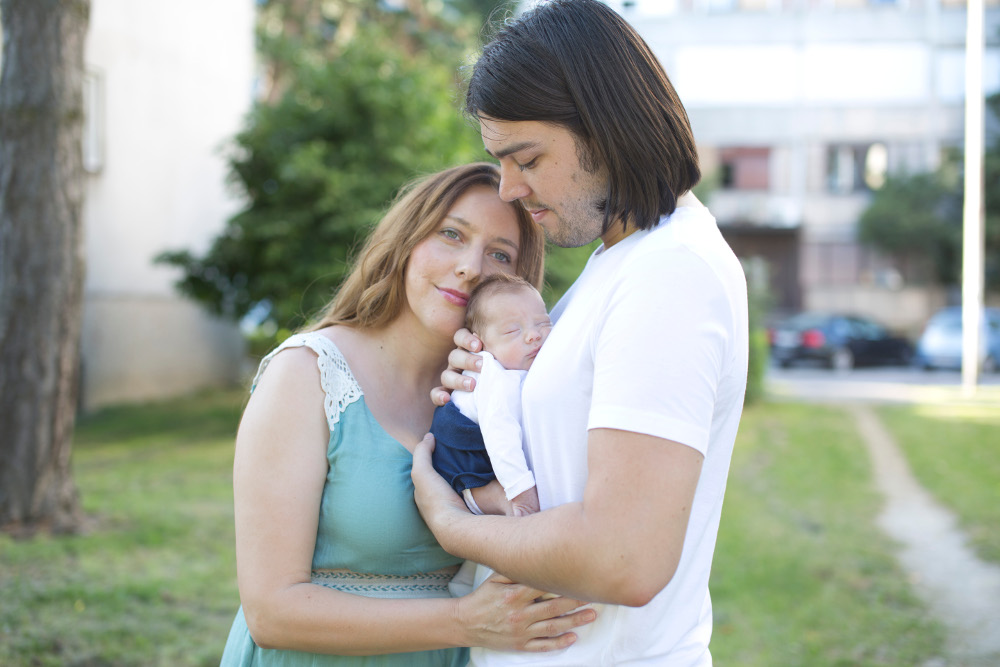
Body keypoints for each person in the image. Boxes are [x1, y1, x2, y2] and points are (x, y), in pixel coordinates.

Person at [410, 2, 750, 665]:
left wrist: (452, 524)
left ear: (604, 125)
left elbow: (624, 557)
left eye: (527, 159)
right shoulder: (621, 262)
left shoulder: (671, 272)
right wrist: (487, 386)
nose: (509, 189)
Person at [219, 162, 596, 666]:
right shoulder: (305, 373)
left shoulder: (500, 398)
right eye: (451, 234)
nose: (471, 267)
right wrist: (465, 620)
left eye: (499, 254)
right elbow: (271, 613)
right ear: (406, 240)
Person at [430, 273, 552, 519]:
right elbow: (500, 435)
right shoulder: (493, 375)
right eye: (512, 331)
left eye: (542, 323)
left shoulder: (516, 365)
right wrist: (522, 493)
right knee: (496, 494)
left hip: (481, 447)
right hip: (460, 455)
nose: (533, 335)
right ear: (479, 344)